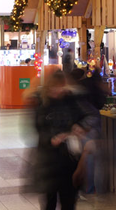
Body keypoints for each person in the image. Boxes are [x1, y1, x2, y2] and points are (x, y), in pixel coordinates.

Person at [32, 70, 98, 210]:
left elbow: (92, 115)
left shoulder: (72, 101)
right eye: (54, 87)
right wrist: (53, 138)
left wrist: (80, 126)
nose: (57, 90)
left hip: (69, 161)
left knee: (68, 201)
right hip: (49, 162)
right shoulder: (43, 104)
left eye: (60, 86)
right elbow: (40, 129)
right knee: (49, 202)